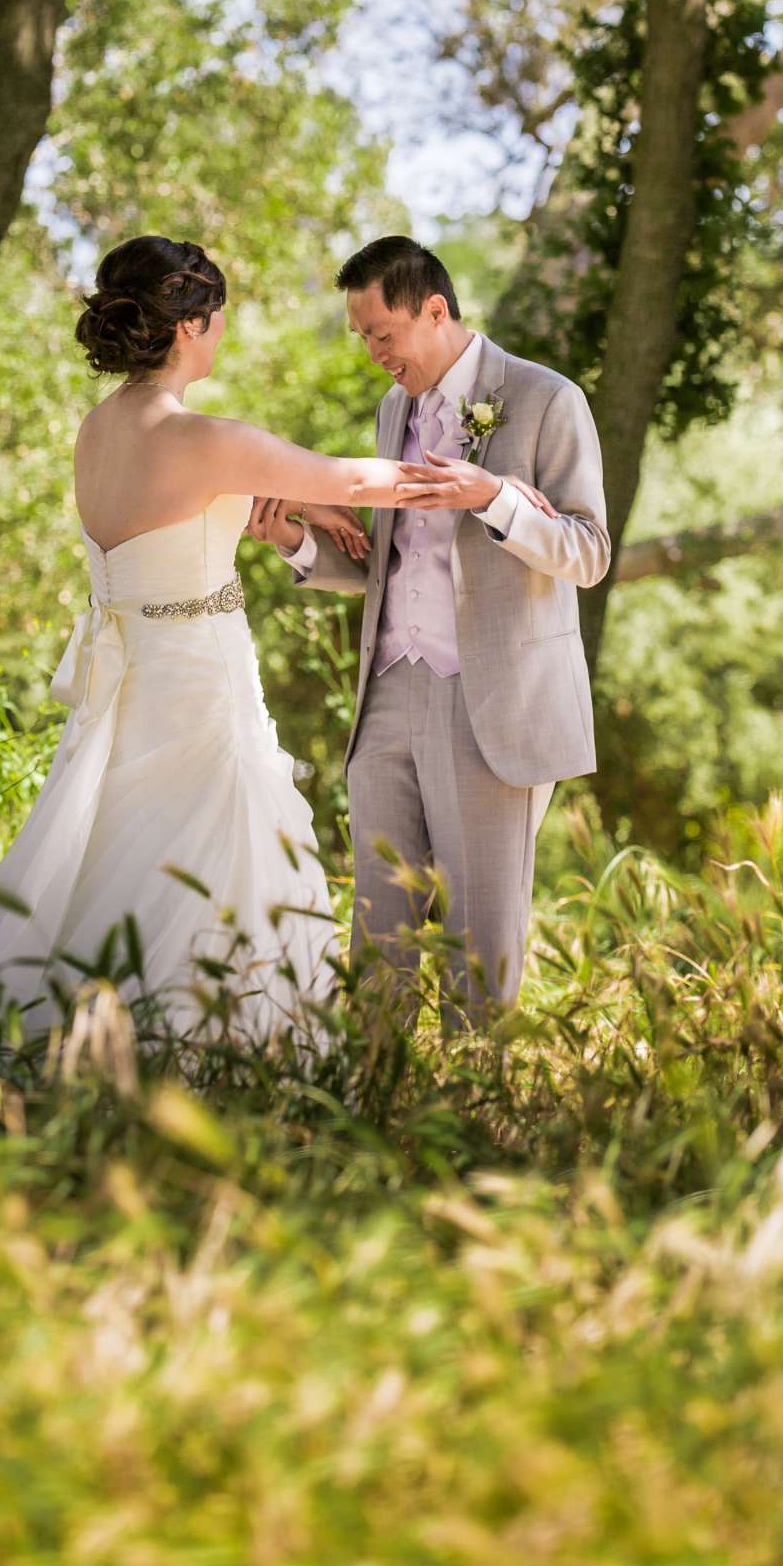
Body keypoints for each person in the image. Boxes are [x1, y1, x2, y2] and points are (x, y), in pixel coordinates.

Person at [0, 234, 424, 1049]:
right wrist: (478, 483)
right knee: (216, 846)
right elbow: (355, 481)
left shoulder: (97, 431)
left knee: (116, 847)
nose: (222, 332)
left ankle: (79, 1027)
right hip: (201, 682)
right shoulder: (206, 437)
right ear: (189, 324)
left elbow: (173, 508)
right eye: (217, 317)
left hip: (129, 684)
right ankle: (217, 1042)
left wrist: (273, 500)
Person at [252, 234, 610, 1027]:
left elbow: (588, 553)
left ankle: (476, 1115)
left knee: (481, 944)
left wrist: (491, 496)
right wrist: (297, 544)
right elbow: (388, 565)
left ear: (436, 310)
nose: (374, 352)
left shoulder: (548, 399)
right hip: (386, 697)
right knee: (379, 934)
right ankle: (371, 1100)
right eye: (362, 337)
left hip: (492, 703)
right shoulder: (395, 411)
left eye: (383, 333)